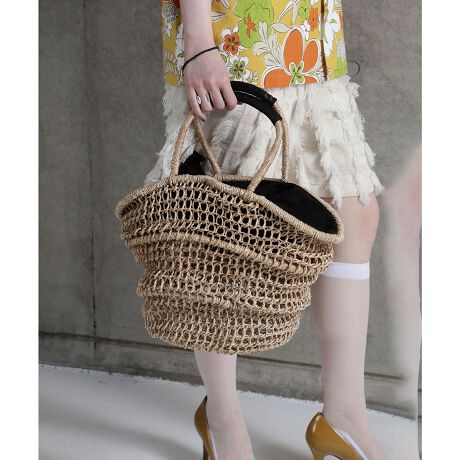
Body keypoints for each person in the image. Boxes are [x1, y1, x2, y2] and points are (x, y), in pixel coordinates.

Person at [144, 1, 386, 459]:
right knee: (221, 230)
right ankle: (222, 420)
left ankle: (344, 418)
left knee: (353, 212)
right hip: (236, 40)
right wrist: (198, 41)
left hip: (311, 37)